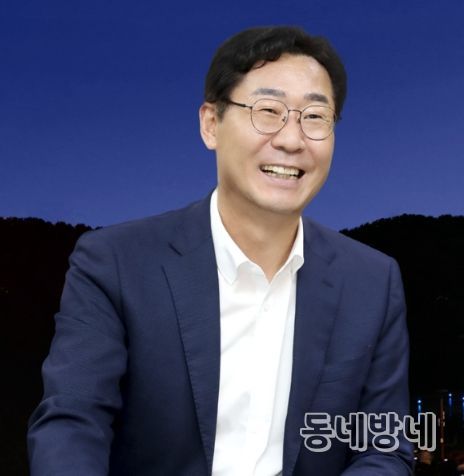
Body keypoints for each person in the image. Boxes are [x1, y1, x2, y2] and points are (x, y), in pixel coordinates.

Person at [28, 26, 413, 475]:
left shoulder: (372, 282)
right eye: (268, 111)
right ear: (211, 124)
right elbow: (71, 424)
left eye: (314, 117)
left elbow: (383, 448)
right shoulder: (115, 264)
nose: (291, 140)